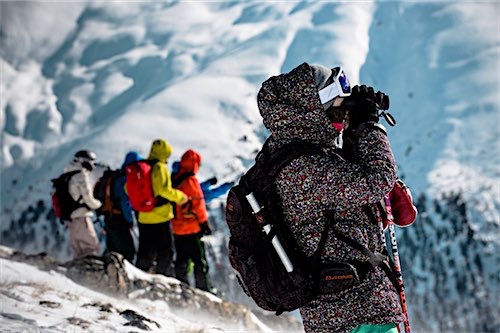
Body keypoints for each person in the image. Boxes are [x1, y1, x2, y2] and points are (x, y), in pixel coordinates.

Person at [256, 62, 404, 332]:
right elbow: (376, 179)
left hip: (350, 308)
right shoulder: (302, 166)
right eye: (338, 105)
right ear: (313, 108)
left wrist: (353, 129)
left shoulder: (298, 152)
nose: (343, 113)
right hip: (352, 311)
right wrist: (369, 125)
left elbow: (345, 186)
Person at [135, 139, 188, 276]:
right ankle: (163, 278)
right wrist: (181, 197)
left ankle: (140, 274)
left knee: (145, 248)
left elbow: (128, 189)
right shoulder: (160, 167)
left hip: (143, 215)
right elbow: (164, 190)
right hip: (160, 215)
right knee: (165, 250)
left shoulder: (142, 167)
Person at [171, 149, 213, 292]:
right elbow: (198, 204)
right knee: (199, 261)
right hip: (192, 228)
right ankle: (204, 289)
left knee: (182, 260)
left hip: (177, 227)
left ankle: (182, 287)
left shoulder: (174, 178)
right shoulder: (191, 181)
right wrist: (204, 223)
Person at [95, 156, 137, 263]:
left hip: (108, 216)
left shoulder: (113, 178)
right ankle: (124, 273)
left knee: (113, 246)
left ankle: (110, 271)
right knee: (128, 249)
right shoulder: (124, 180)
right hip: (119, 218)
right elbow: (125, 202)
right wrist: (129, 220)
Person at [63, 150, 102, 259]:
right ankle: (90, 274)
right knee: (91, 247)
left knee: (78, 250)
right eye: (92, 163)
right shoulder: (81, 176)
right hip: (81, 216)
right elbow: (88, 199)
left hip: (70, 218)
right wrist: (99, 204)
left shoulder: (67, 174)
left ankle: (76, 274)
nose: (93, 167)